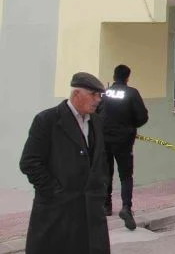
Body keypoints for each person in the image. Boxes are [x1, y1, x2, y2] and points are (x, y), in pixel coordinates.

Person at [19, 72, 110, 254]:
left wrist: (100, 189)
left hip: (90, 210)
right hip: (58, 210)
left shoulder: (97, 122)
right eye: (93, 94)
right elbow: (29, 162)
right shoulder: (47, 120)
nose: (98, 100)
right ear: (76, 94)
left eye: (99, 95)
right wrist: (54, 191)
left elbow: (100, 160)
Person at [100, 64, 149, 230]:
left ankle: (106, 206)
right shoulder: (131, 93)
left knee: (106, 171)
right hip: (124, 140)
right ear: (127, 77)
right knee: (125, 175)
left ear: (114, 76)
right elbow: (142, 117)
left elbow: (95, 113)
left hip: (104, 139)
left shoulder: (104, 93)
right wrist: (130, 125)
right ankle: (126, 207)